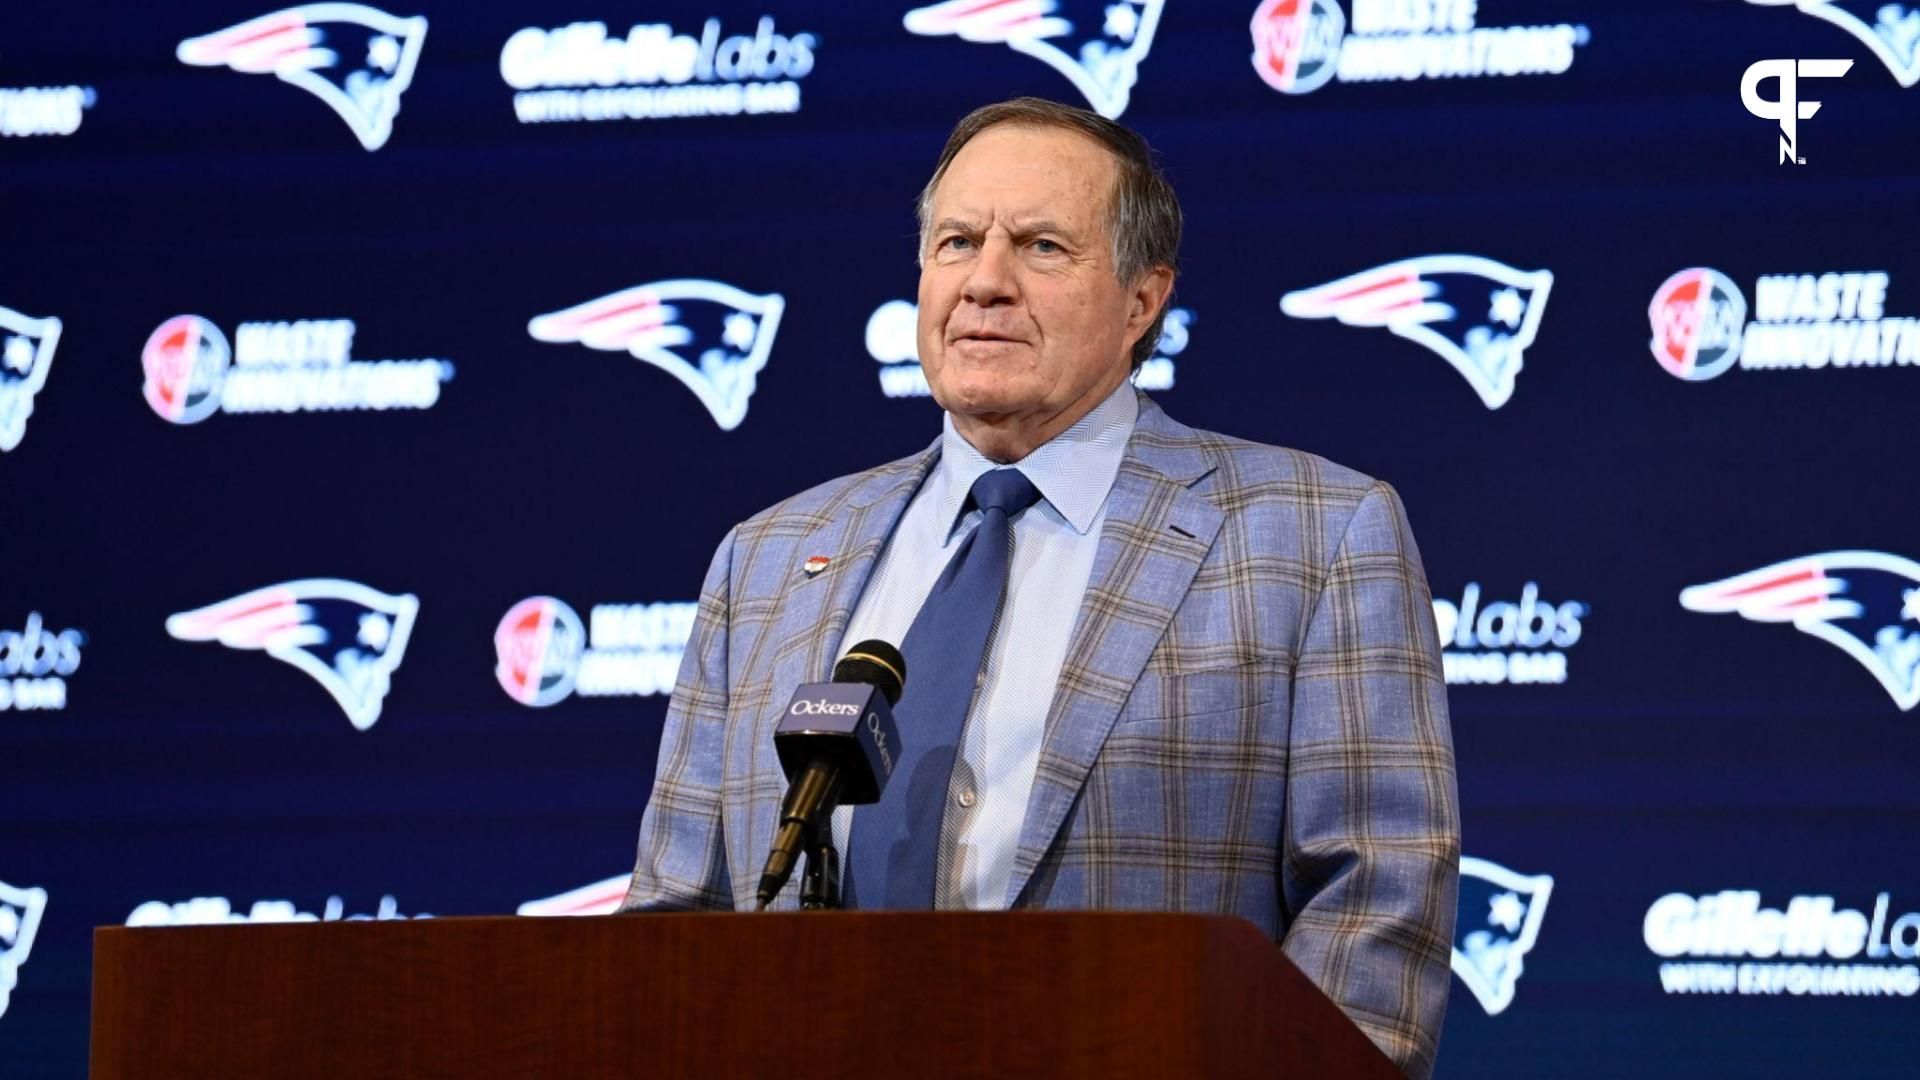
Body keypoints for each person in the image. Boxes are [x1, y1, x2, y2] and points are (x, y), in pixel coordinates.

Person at [622, 97, 1459, 1077]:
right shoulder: (768, 556)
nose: (984, 282)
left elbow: (1376, 900)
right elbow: (676, 919)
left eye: (1042, 246)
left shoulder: (1314, 530)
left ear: (1143, 299)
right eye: (956, 241)